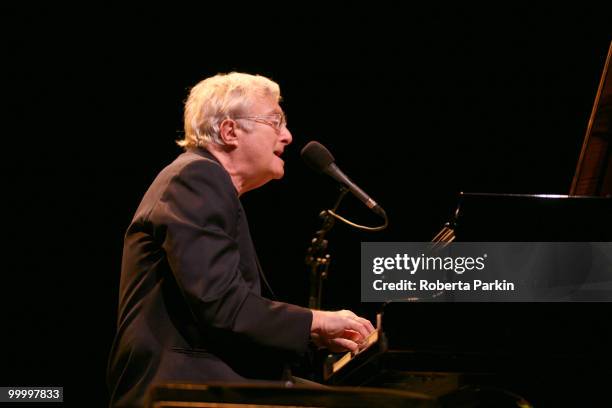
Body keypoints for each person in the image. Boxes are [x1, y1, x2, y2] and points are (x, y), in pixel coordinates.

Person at [107, 72, 375, 407]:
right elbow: (222, 306)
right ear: (229, 131)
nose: (288, 136)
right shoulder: (196, 177)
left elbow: (225, 313)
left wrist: (317, 333)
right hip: (186, 387)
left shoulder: (205, 183)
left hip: (214, 379)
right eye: (275, 122)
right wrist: (316, 321)